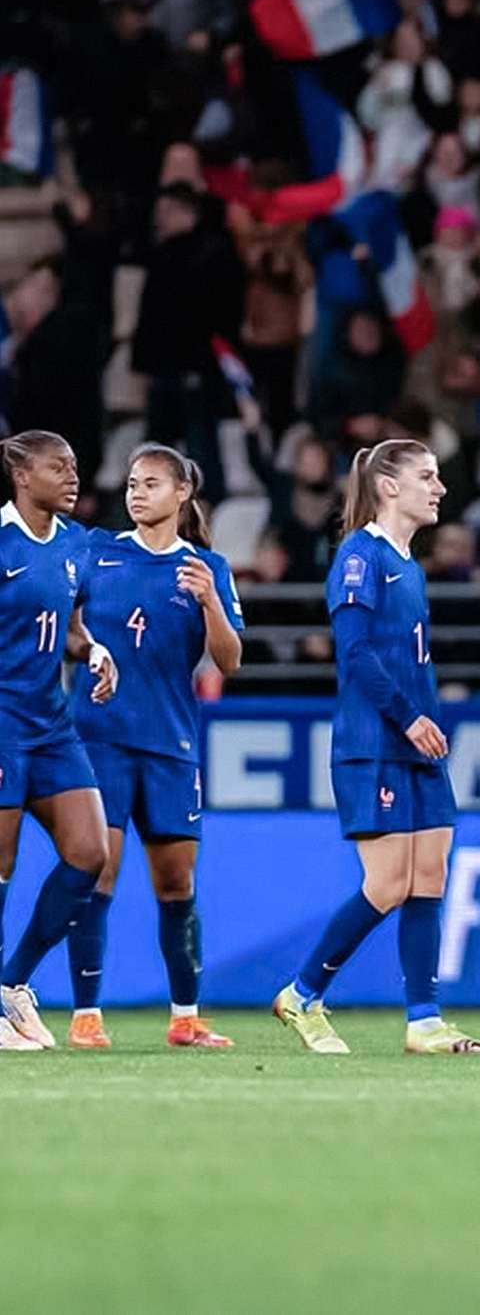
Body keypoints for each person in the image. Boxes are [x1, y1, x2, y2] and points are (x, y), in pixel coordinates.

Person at [272, 440, 480, 1056]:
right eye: (427, 476)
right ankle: (302, 994)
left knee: (430, 876)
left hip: (417, 744)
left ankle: (424, 1021)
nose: (440, 488)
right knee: (389, 883)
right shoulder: (359, 555)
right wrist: (409, 717)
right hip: (375, 743)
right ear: (389, 486)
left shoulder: (409, 565)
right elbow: (354, 654)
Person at [63, 445, 244, 1050]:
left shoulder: (207, 567)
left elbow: (230, 660)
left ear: (182, 493)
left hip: (171, 743)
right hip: (101, 738)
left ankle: (185, 1017)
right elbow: (65, 624)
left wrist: (210, 602)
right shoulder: (97, 551)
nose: (137, 494)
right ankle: (86, 1015)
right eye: (132, 484)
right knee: (99, 873)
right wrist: (89, 652)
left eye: (151, 484)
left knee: (176, 883)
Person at [0, 432, 117, 1050]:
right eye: (58, 467)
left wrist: (93, 650)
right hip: (2, 722)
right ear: (23, 476)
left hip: (51, 725)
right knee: (1, 865)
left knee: (89, 853)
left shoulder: (75, 544)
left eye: (74, 466)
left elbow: (70, 629)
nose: (73, 477)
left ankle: (11, 983)